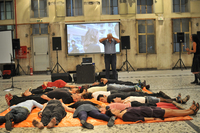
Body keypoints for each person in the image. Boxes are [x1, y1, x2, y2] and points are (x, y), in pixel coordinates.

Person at [106, 101, 199, 122]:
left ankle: (188, 110)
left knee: (171, 110)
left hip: (151, 109)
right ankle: (191, 112)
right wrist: (154, 118)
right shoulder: (125, 117)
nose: (115, 109)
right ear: (113, 114)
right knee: (172, 113)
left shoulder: (123, 111)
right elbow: (140, 118)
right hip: (152, 113)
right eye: (113, 110)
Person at [5, 89, 82, 106]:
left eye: (78, 96)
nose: (77, 94)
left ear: (75, 99)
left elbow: (59, 101)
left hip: (45, 98)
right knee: (30, 97)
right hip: (46, 95)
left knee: (29, 99)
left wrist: (46, 98)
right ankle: (15, 98)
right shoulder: (70, 94)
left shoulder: (69, 98)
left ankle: (11, 102)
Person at [96, 91, 190, 104]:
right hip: (140, 99)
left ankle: (176, 99)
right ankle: (177, 99)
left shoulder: (110, 98)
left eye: (102, 99)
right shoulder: (111, 101)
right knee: (159, 98)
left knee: (159, 97)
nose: (103, 101)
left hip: (134, 95)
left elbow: (122, 94)